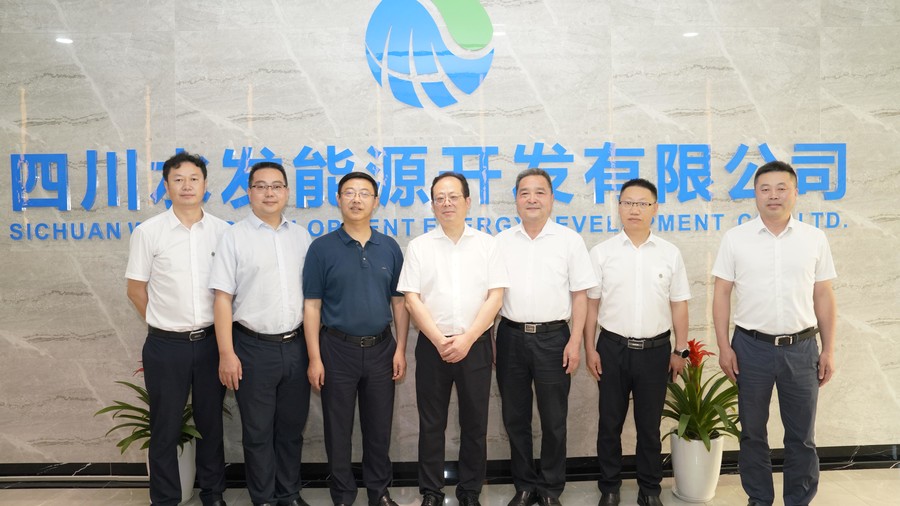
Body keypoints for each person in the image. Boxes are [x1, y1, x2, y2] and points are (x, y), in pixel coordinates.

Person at [712, 161, 837, 506]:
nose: (773, 195)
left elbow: (823, 295)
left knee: (802, 435)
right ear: (755, 194)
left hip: (802, 347)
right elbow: (721, 294)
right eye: (765, 189)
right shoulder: (736, 239)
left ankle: (799, 500)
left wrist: (828, 349)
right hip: (751, 347)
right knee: (753, 433)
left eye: (782, 188)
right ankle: (759, 499)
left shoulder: (814, 238)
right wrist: (724, 347)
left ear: (795, 192)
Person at [397, 172, 509, 506]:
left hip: (474, 346)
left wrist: (467, 338)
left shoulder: (487, 244)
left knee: (475, 423)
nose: (447, 203)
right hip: (433, 347)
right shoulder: (419, 247)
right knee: (431, 423)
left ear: (467, 201)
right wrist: (438, 339)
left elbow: (496, 297)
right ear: (433, 205)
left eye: (453, 197)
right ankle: (431, 491)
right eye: (440, 198)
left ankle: (470, 490)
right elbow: (411, 299)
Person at [126, 151, 230, 506]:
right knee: (165, 426)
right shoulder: (148, 232)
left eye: (194, 179)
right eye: (178, 179)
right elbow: (135, 290)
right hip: (165, 345)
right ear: (166, 186)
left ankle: (213, 494)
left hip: (212, 342)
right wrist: (162, 321)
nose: (187, 186)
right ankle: (165, 498)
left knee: (211, 423)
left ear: (205, 184)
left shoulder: (223, 232)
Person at [302, 171, 409, 506]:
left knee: (379, 428)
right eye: (349, 192)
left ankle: (379, 492)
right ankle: (343, 495)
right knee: (338, 430)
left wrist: (401, 349)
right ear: (338, 199)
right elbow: (312, 306)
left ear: (375, 202)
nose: (356, 199)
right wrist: (315, 357)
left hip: (382, 349)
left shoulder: (389, 247)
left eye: (364, 193)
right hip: (336, 350)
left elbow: (399, 303)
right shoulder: (321, 249)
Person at [209, 162, 313, 506]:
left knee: (291, 429)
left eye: (277, 186)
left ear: (287, 192)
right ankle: (264, 498)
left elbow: (313, 299)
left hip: (296, 346)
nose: (270, 193)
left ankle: (289, 493)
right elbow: (222, 298)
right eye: (261, 186)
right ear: (249, 192)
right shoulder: (234, 237)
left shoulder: (301, 237)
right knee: (257, 432)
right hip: (252, 348)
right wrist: (226, 353)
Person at [583, 178, 691, 506]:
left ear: (655, 209)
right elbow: (591, 306)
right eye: (628, 202)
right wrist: (589, 348)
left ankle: (650, 489)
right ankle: (609, 487)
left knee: (649, 426)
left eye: (642, 203)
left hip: (656, 352)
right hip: (611, 349)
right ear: (618, 207)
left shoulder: (670, 253)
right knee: (609, 423)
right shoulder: (602, 253)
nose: (634, 209)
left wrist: (680, 349)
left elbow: (679, 304)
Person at [494, 169, 597, 506]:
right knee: (515, 418)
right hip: (510, 336)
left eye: (540, 192)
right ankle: (524, 485)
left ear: (551, 199)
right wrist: (492, 339)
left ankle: (551, 488)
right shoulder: (501, 242)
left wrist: (575, 342)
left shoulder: (569, 240)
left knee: (554, 420)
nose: (532, 199)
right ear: (516, 199)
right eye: (525, 192)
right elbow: (492, 295)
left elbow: (580, 296)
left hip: (555, 339)